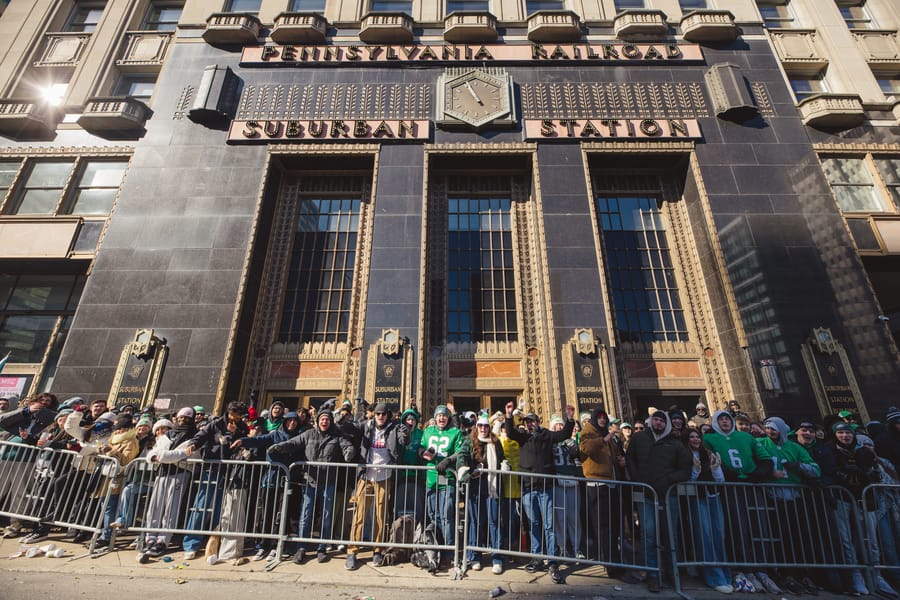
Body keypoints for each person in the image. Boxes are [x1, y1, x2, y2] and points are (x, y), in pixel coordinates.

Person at [267, 410, 355, 568]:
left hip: (329, 481)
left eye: (327, 419)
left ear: (331, 422)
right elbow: (293, 443)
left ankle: (322, 547)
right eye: (322, 419)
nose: (324, 422)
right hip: (310, 481)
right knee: (305, 514)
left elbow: (347, 447)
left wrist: (348, 453)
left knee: (326, 516)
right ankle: (302, 547)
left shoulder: (337, 436)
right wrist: (279, 447)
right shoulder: (308, 434)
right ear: (317, 421)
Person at [703, 409, 776, 594]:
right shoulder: (709, 439)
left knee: (760, 526)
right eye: (721, 419)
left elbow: (765, 459)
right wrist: (730, 475)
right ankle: (743, 568)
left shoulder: (747, 438)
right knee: (737, 527)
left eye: (727, 419)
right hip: (730, 488)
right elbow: (710, 460)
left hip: (752, 485)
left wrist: (757, 474)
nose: (725, 422)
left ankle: (761, 568)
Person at [504, 403, 574, 584]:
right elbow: (510, 432)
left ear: (538, 422)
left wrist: (570, 419)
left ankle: (552, 561)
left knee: (549, 526)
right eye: (527, 422)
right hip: (528, 487)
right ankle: (536, 558)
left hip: (545, 488)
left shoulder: (546, 436)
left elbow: (564, 434)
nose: (530, 425)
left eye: (532, 421)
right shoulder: (523, 437)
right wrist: (509, 415)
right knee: (534, 523)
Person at [625, 410, 691, 593]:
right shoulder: (639, 439)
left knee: (670, 534)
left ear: (667, 424)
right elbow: (630, 458)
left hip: (668, 494)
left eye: (662, 420)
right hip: (646, 494)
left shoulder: (675, 443)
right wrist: (638, 478)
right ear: (650, 421)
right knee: (649, 534)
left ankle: (671, 572)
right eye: (656, 419)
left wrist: (670, 479)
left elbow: (686, 467)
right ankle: (653, 574)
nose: (659, 422)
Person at [756, 416, 821, 595]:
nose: (770, 431)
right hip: (771, 497)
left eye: (773, 428)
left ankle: (801, 573)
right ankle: (783, 573)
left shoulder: (795, 448)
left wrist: (798, 466)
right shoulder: (759, 443)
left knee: (798, 535)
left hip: (794, 497)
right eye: (767, 428)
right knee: (778, 535)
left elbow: (815, 469)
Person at [180, 402, 249, 560]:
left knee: (220, 507)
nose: (236, 417)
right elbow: (201, 437)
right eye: (234, 414)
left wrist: (236, 432)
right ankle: (191, 543)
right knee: (201, 505)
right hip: (211, 468)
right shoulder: (215, 424)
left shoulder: (242, 427)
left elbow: (241, 443)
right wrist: (193, 444)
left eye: (239, 415)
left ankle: (213, 540)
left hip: (229, 470)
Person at [345, 401, 410, 569]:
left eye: (383, 414)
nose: (380, 416)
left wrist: (404, 430)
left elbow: (403, 442)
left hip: (384, 477)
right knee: (359, 514)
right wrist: (341, 417)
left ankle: (377, 550)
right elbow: (350, 429)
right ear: (373, 414)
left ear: (387, 415)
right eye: (377, 414)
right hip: (366, 476)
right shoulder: (366, 426)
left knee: (381, 516)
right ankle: (352, 551)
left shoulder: (393, 428)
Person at [232, 410, 303, 561]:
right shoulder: (275, 435)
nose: (292, 423)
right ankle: (263, 544)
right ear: (284, 422)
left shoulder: (299, 438)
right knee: (267, 513)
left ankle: (277, 545)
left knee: (283, 514)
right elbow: (259, 440)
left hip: (288, 481)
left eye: (295, 422)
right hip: (270, 480)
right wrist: (243, 441)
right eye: (289, 421)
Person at [139, 407, 197, 560]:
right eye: (180, 417)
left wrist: (161, 456)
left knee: (171, 508)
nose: (183, 419)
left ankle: (163, 540)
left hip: (179, 474)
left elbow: (175, 455)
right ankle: (150, 538)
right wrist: (157, 456)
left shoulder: (194, 437)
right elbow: (152, 452)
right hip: (162, 474)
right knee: (155, 507)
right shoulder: (167, 435)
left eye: (186, 418)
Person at [681, 428, 732, 594]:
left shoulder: (708, 454)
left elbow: (720, 480)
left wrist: (716, 467)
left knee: (719, 535)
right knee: (705, 537)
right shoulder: (685, 455)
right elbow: (688, 481)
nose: (695, 439)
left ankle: (725, 575)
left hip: (713, 496)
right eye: (692, 437)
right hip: (698, 498)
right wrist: (695, 470)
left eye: (697, 436)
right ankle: (714, 577)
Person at [458, 413, 506, 574]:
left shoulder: (495, 442)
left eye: (486, 426)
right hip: (476, 489)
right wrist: (464, 470)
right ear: (476, 427)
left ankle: (497, 558)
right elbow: (462, 456)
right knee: (476, 522)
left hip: (492, 488)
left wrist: (505, 465)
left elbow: (502, 459)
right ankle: (475, 556)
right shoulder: (470, 441)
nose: (483, 428)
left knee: (494, 522)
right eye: (480, 426)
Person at [419, 404, 464, 566]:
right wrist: (422, 452)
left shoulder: (455, 432)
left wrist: (448, 460)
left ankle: (449, 551)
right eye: (439, 415)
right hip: (431, 480)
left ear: (448, 417)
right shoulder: (428, 431)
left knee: (447, 517)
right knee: (433, 516)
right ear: (435, 417)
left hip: (447, 481)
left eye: (444, 415)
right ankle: (436, 551)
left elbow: (461, 450)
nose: (441, 418)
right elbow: (421, 446)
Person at [578, 407, 619, 565]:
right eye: (599, 417)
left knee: (612, 525)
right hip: (596, 483)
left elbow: (612, 455)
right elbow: (586, 448)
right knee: (602, 525)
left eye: (604, 417)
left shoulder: (604, 434)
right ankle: (607, 561)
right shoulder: (588, 432)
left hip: (610, 483)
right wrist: (605, 439)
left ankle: (613, 559)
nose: (602, 420)